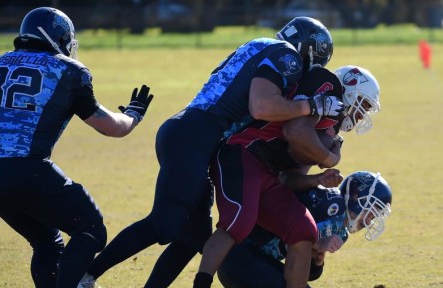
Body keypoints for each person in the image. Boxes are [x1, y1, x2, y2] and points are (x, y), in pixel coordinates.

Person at [78, 17, 340, 288]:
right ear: (310, 49)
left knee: (193, 237)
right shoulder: (287, 55)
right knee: (163, 223)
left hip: (191, 133)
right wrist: (312, 105)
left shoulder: (260, 45)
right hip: (195, 136)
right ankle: (87, 275)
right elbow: (261, 106)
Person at [0, 7, 154, 288]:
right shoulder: (67, 70)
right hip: (26, 169)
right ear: (56, 35)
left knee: (46, 242)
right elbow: (112, 128)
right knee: (91, 228)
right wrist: (134, 114)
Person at [193, 64, 381, 288]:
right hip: (247, 154)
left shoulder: (329, 130)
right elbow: (296, 133)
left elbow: (289, 179)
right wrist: (331, 159)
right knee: (237, 223)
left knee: (304, 230)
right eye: (363, 105)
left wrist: (316, 180)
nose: (361, 116)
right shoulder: (327, 88)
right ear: (350, 90)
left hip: (267, 174)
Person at [216, 170, 393, 288]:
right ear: (356, 196)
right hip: (241, 256)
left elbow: (305, 272)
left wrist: (317, 260)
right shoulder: (330, 202)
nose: (370, 221)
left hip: (257, 261)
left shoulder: (341, 231)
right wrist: (316, 242)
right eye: (372, 211)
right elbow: (288, 231)